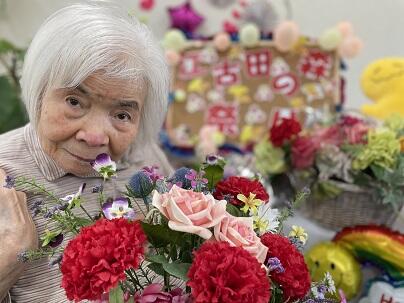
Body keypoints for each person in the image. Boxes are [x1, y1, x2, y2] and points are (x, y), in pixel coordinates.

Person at [0, 2, 173, 302]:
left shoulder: (146, 159)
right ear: (40, 91)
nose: (94, 136)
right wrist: (12, 253)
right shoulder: (5, 171)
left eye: (122, 115)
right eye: (75, 101)